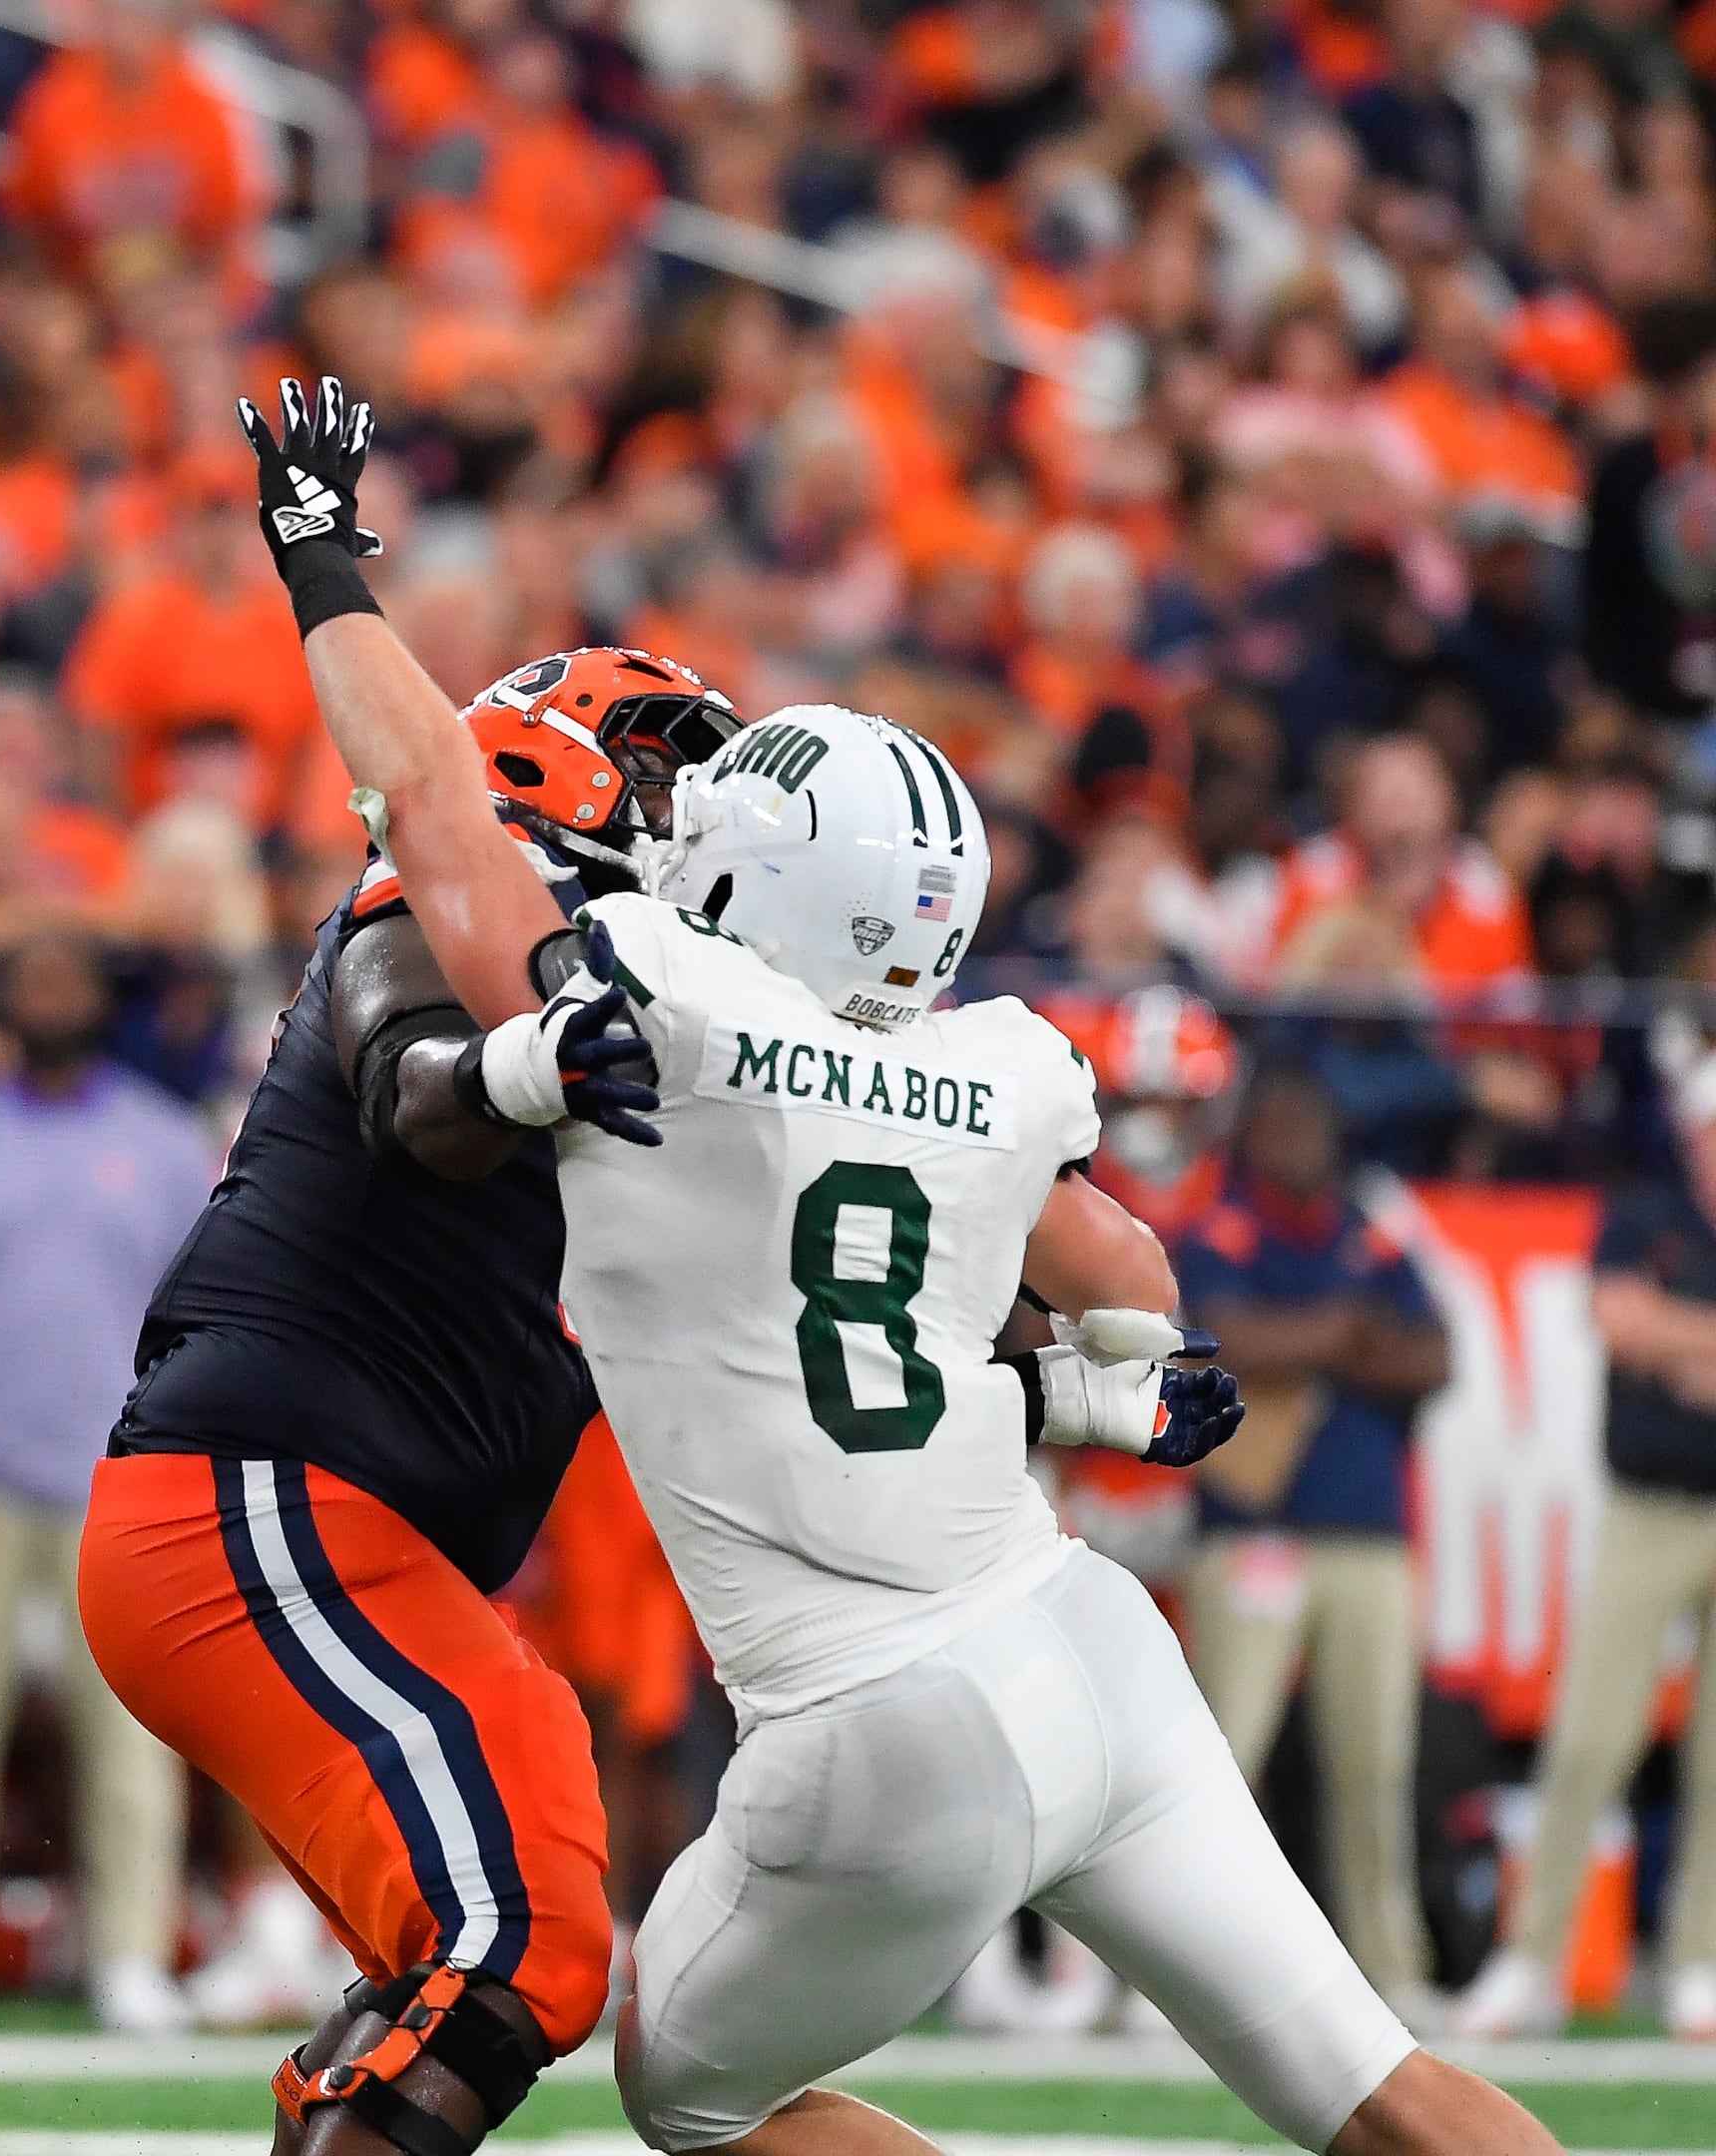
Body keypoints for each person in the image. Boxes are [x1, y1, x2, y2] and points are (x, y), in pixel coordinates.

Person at [253, 374, 1550, 2156]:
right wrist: (1089, 1388)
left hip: (881, 1726)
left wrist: (319, 556)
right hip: (1091, 1645)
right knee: (1372, 2088)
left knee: (690, 2101)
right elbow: (1132, 1279)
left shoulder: (661, 998)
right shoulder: (997, 1068)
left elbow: (428, 789)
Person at [81, 371, 744, 2149]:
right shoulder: (453, 921)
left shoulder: (682, 1029)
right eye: (681, 783)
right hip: (266, 1502)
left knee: (480, 1970)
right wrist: (518, 1068)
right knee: (518, 1939)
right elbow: (408, 1079)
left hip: (353, 1537)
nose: (713, 831)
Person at [0, 930, 205, 2039]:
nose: (49, 988)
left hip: (121, 1478)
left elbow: (199, 1324)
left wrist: (173, 1468)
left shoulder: (165, 1146)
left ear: (102, 996)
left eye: (65, 973)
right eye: (32, 975)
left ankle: (130, 1954)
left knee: (130, 1732)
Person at [1175, 1061, 1451, 2004]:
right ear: (1250, 1137)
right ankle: (1178, 1972)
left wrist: (1311, 1341)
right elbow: (1219, 1338)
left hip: (1368, 1535)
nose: (1296, 1140)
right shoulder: (1222, 1229)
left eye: (1308, 1123)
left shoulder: (1369, 1232)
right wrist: (1342, 1335)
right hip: (1258, 1531)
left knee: (1375, 1765)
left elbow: (1439, 1356)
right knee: (1222, 1761)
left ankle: (1390, 1966)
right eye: (1278, 1122)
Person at [1458, 1060, 1716, 2039]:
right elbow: (1617, 1321)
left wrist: (1678, 1345)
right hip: (1651, 1506)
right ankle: (1532, 1958)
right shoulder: (1646, 1213)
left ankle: (1700, 1959)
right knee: (1591, 1736)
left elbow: (1652, 1331)